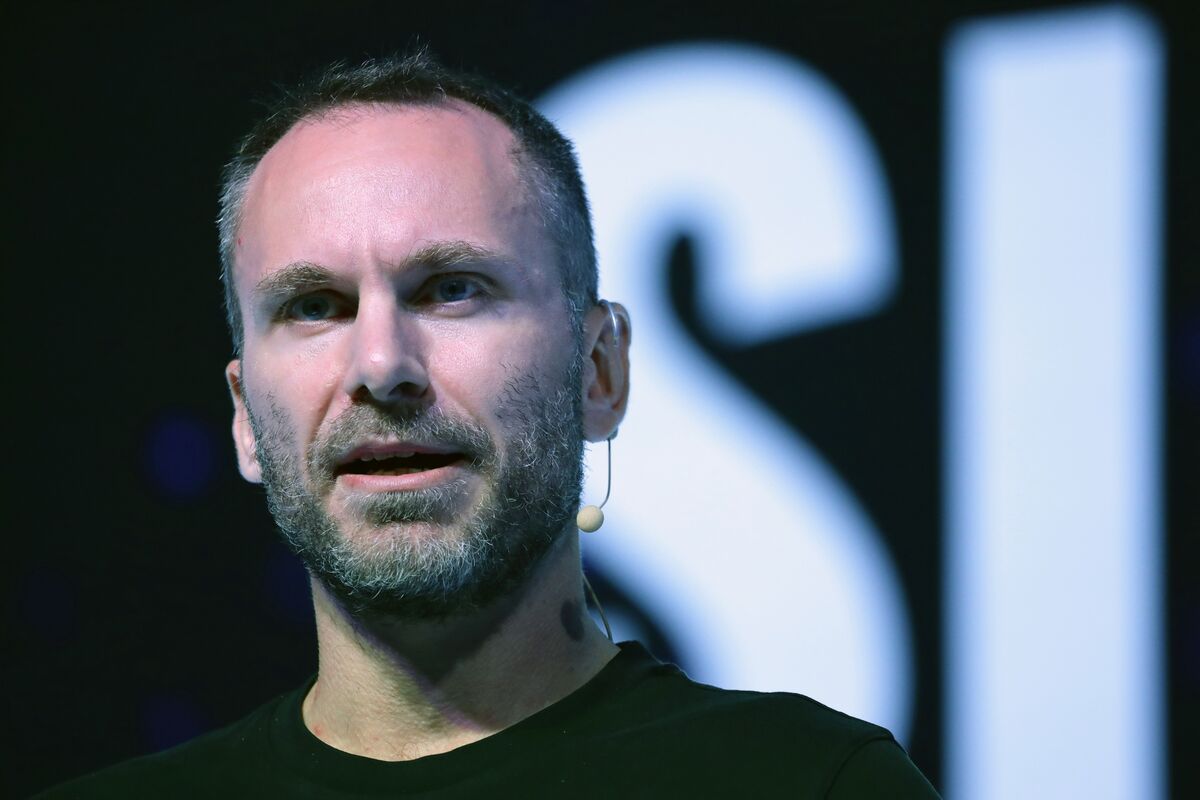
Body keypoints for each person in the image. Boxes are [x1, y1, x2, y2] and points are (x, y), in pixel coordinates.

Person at [38, 50, 939, 798]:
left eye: (451, 289)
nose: (381, 364)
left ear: (598, 372)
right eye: (315, 305)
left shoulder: (813, 785)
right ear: (244, 417)